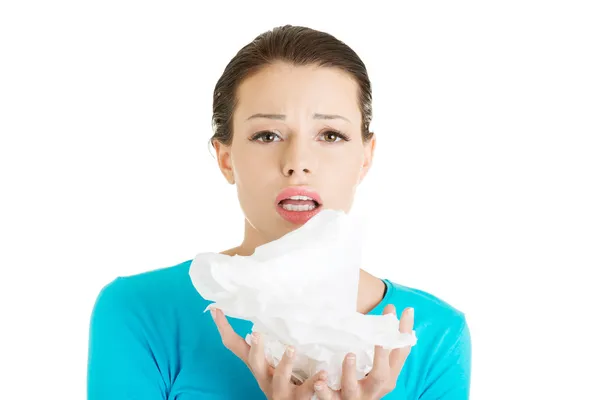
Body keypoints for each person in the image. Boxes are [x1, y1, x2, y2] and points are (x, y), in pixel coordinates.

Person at [87, 25, 472, 400]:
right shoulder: (141, 311)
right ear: (225, 158)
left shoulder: (435, 335)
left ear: (365, 158)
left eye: (330, 136)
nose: (298, 162)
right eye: (267, 135)